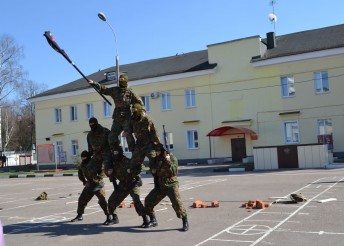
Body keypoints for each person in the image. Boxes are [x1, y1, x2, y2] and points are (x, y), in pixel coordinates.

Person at [89, 74, 144, 153]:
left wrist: (140, 112)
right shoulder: (115, 90)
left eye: (122, 80)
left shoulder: (130, 93)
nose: (121, 81)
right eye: (120, 80)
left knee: (128, 135)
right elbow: (104, 89)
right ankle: (117, 152)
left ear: (126, 81)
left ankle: (134, 153)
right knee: (112, 136)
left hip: (127, 118)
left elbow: (140, 103)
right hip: (117, 118)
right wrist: (94, 83)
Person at [144, 144, 189, 231]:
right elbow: (153, 171)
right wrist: (152, 171)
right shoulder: (156, 159)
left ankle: (185, 221)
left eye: (158, 151)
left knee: (177, 203)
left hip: (171, 185)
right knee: (148, 200)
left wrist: (168, 162)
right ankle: (153, 220)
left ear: (162, 151)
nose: (157, 153)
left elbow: (174, 172)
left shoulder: (172, 158)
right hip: (160, 186)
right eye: (156, 151)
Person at [106, 145, 150, 227]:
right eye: (114, 152)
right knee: (111, 200)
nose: (115, 154)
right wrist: (110, 174)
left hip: (133, 182)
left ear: (120, 152)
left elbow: (141, 167)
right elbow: (111, 174)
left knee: (136, 200)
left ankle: (145, 220)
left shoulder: (128, 161)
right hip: (123, 184)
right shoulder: (113, 163)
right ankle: (115, 218)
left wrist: (131, 170)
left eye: (116, 152)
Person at [71, 150, 112, 225]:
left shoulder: (94, 162)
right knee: (82, 199)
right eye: (82, 158)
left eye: (84, 157)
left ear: (88, 157)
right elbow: (80, 174)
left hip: (98, 184)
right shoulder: (82, 164)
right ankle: (79, 215)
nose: (83, 159)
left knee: (102, 199)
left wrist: (98, 178)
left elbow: (102, 171)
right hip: (89, 184)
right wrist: (84, 182)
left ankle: (109, 216)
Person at [128, 103, 160, 176]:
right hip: (139, 144)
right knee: (133, 164)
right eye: (132, 111)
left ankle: (157, 184)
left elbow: (153, 131)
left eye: (135, 111)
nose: (133, 113)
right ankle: (136, 182)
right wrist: (132, 147)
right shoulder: (131, 119)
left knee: (154, 162)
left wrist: (157, 145)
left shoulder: (146, 118)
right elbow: (128, 132)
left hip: (149, 144)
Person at [87, 117, 112, 191]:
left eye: (93, 124)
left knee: (107, 168)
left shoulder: (105, 131)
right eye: (90, 125)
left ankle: (115, 184)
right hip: (97, 155)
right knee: (89, 167)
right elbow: (90, 148)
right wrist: (88, 157)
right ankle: (99, 182)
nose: (92, 126)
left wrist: (115, 152)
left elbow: (113, 142)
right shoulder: (90, 135)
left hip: (107, 153)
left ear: (97, 123)